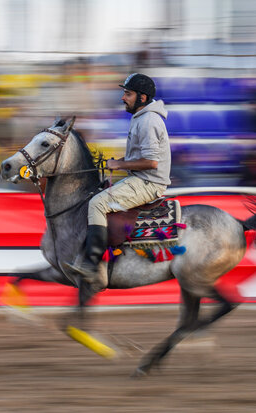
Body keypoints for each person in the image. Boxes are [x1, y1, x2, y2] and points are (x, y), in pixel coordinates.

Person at [68, 73, 171, 282]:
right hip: (141, 179)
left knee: (96, 204)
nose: (123, 98)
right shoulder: (142, 117)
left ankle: (91, 265)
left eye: (128, 94)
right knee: (95, 195)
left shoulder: (148, 121)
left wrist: (120, 164)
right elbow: (140, 156)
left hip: (149, 184)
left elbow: (151, 162)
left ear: (142, 98)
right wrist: (117, 162)